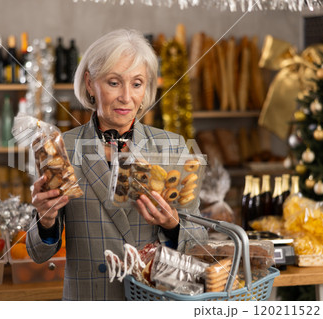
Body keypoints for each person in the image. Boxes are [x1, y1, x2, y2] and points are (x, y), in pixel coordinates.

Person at [26, 29, 207, 300]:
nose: (126, 97)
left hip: (153, 300)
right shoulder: (61, 148)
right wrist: (46, 219)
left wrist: (173, 226)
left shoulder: (171, 146)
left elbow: (199, 243)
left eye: (137, 83)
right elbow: (38, 253)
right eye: (114, 83)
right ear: (90, 84)